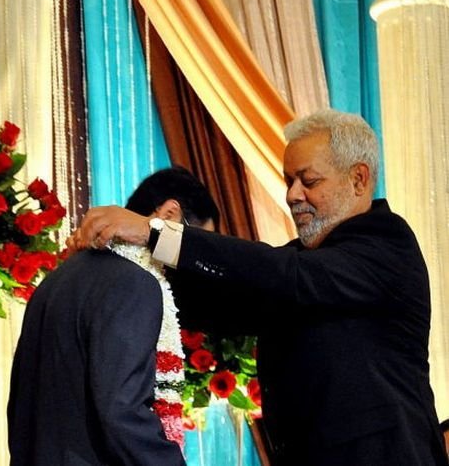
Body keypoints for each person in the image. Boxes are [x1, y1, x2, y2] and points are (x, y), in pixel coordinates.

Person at [70, 110, 449, 466]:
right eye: (289, 181)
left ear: (359, 178)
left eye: (309, 180)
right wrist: (127, 265)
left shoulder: (386, 243)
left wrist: (156, 234)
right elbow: (224, 303)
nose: (293, 195)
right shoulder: (304, 259)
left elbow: (286, 275)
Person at [7, 167, 219, 466]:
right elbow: (121, 413)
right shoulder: (134, 284)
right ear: (170, 215)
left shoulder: (60, 278)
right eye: (195, 243)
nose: (188, 265)